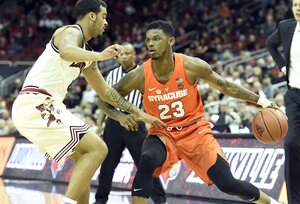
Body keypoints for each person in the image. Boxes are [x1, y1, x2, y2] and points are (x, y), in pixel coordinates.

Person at [97, 20, 283, 204]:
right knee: (147, 159)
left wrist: (262, 101)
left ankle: (271, 202)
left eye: (156, 39)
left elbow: (226, 86)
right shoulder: (139, 75)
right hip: (163, 134)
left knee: (228, 184)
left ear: (170, 41)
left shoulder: (191, 66)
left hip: (196, 133)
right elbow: (103, 97)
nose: (151, 44)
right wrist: (119, 116)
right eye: (148, 40)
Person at [11, 1, 164, 204]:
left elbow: (106, 93)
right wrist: (100, 56)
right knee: (99, 149)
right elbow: (66, 52)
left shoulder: (86, 53)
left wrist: (137, 112)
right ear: (91, 16)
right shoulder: (70, 32)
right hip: (37, 102)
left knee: (84, 155)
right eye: (104, 16)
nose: (106, 22)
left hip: (38, 107)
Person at [94, 43, 166, 204]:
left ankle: (160, 199)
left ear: (134, 55)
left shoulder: (143, 73)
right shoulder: (112, 74)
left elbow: (151, 99)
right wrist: (100, 125)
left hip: (135, 121)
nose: (124, 56)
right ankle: (100, 200)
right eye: (122, 54)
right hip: (114, 121)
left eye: (128, 53)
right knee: (107, 164)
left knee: (146, 163)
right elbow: (103, 101)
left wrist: (147, 120)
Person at [266, 0, 300, 203]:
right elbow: (270, 44)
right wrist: (282, 66)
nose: (298, 7)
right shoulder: (286, 27)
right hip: (294, 95)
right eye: (295, 4)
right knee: (290, 144)